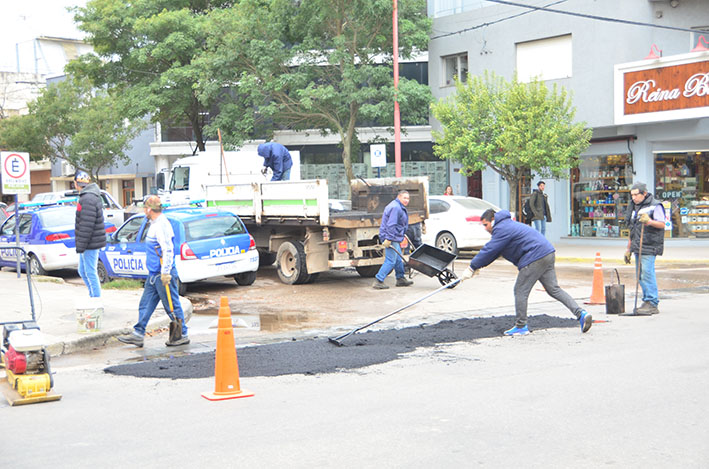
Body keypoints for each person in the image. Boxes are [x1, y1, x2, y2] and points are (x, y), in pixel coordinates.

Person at [460, 208, 592, 336]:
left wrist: (471, 267)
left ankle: (521, 326)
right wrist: (478, 267)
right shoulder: (507, 225)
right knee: (554, 289)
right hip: (547, 253)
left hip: (534, 257)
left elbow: (489, 249)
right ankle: (581, 314)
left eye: (486, 224)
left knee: (520, 290)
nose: (486, 228)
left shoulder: (501, 228)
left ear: (493, 220)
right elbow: (494, 253)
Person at [118, 196, 189, 347]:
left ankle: (182, 333)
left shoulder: (161, 225)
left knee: (171, 305)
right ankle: (138, 333)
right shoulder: (155, 223)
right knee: (146, 303)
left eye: (145, 208)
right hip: (154, 274)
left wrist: (165, 272)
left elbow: (168, 249)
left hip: (162, 274)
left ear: (149, 209)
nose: (144, 211)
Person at [622, 182, 665, 315]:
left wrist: (649, 222)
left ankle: (652, 302)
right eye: (632, 195)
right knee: (640, 275)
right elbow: (632, 229)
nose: (634, 197)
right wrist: (628, 249)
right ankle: (646, 300)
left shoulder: (655, 205)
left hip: (650, 244)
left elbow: (663, 224)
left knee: (647, 273)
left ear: (644, 194)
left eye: (636, 194)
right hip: (637, 245)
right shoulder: (634, 207)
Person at [73, 171, 106, 298]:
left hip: (90, 243)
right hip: (90, 241)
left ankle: (96, 301)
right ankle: (93, 295)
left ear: (77, 183)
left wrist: (81, 246)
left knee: (90, 272)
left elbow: (87, 225)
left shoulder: (87, 199)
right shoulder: (89, 196)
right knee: (82, 271)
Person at [373, 190, 414, 289]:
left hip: (394, 236)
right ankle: (379, 280)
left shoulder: (398, 206)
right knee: (391, 260)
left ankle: (400, 278)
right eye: (404, 198)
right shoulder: (396, 207)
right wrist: (389, 239)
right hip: (391, 237)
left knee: (398, 259)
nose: (406, 200)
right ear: (399, 197)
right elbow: (391, 224)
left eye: (408, 198)